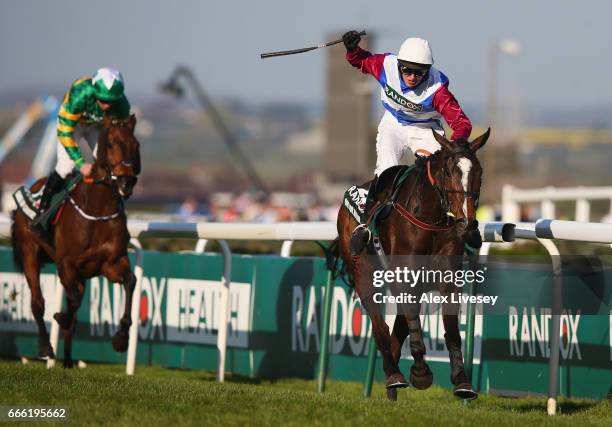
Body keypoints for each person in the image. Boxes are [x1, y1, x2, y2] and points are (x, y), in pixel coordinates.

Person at [341, 31, 473, 252]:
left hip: (425, 130)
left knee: (442, 174)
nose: (412, 76)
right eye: (407, 70)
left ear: (427, 71)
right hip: (393, 125)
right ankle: (365, 226)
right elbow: (360, 60)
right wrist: (352, 49)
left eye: (419, 72)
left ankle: (462, 226)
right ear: (399, 64)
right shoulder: (385, 65)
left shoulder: (438, 89)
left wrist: (455, 146)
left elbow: (462, 124)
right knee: (385, 171)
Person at [33, 67, 131, 224]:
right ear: (94, 92)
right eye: (102, 100)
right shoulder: (80, 94)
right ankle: (42, 207)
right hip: (72, 126)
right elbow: (65, 132)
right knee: (66, 167)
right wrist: (80, 162)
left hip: (95, 127)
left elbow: (121, 135)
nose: (106, 105)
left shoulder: (122, 106)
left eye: (110, 102)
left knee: (103, 164)